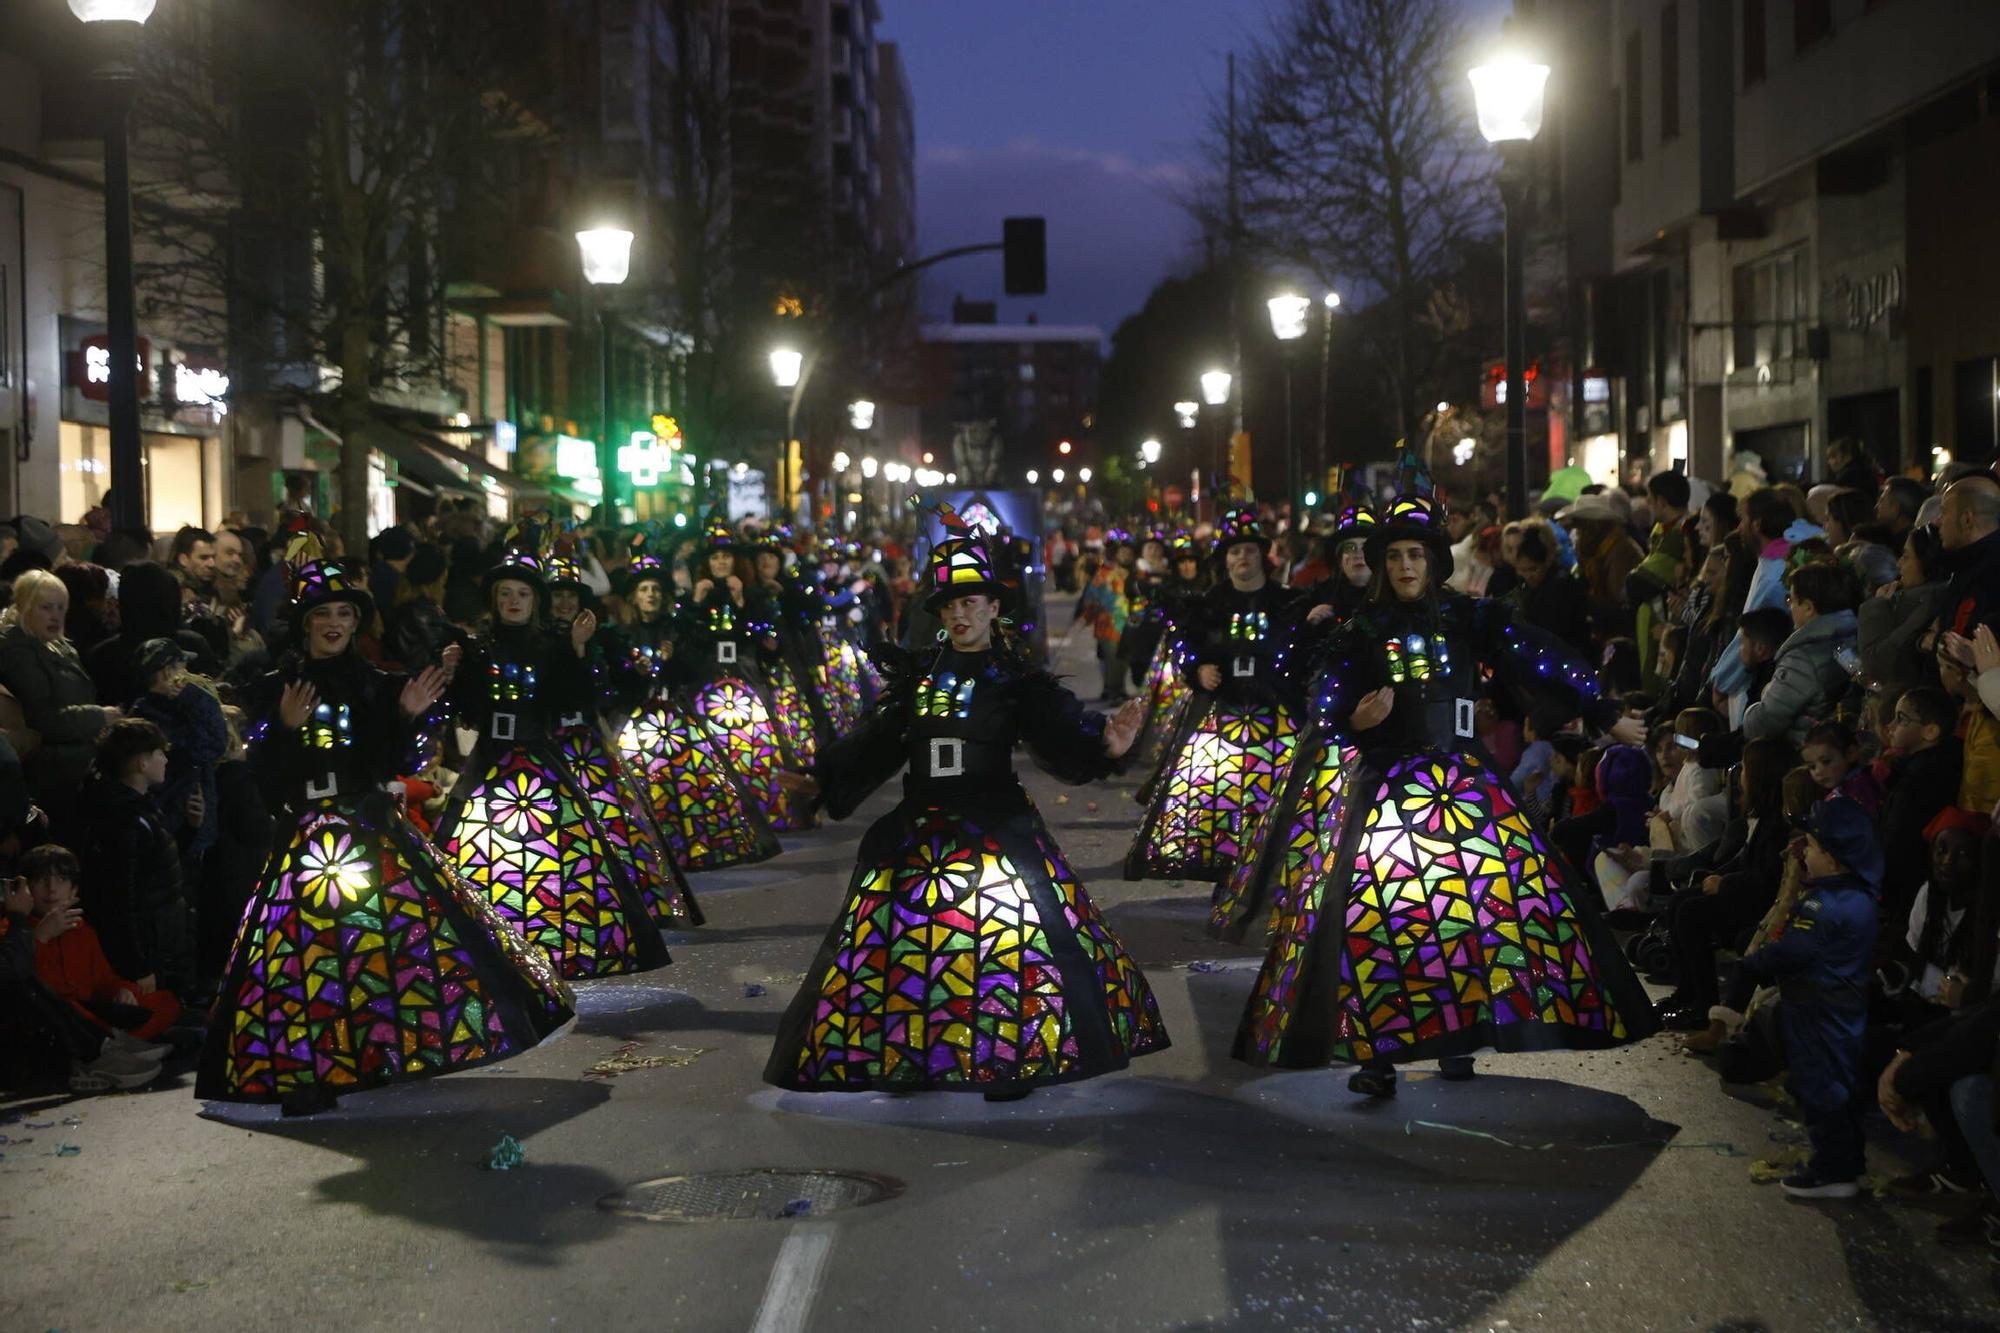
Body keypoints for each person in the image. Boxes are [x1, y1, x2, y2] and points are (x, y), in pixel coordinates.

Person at [1234, 460, 1657, 1098]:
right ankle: (1378, 1053)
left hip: (1462, 787)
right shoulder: (1360, 631)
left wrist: (1600, 709)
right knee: (1380, 921)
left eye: (1416, 555)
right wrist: (1351, 716)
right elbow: (1319, 695)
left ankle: (1458, 1036)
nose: (1405, 566)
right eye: (1395, 556)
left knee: (1472, 916)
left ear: (1434, 562)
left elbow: (1539, 653)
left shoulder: (1469, 619)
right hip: (1384, 789)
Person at [765, 510, 1168, 1097]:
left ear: (994, 609)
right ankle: (909, 1053)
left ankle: (1010, 1054)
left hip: (995, 824)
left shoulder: (1016, 678)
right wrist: (823, 778)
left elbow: (1057, 732)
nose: (960, 614)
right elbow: (878, 741)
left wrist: (1104, 744)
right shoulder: (918, 677)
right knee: (906, 950)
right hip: (921, 825)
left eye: (972, 603)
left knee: (1007, 948)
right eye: (949, 606)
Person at [199, 536, 572, 1111]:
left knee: (390, 945)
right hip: (304, 834)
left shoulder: (373, 682)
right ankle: (312, 1065)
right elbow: (265, 779)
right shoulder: (274, 685)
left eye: (344, 613)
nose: (334, 623)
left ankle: (383, 1050)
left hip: (365, 824)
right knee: (309, 955)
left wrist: (404, 715)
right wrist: (284, 726)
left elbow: (389, 764)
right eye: (322, 613)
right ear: (304, 623)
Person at [433, 540, 672, 979]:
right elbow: (464, 711)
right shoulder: (476, 647)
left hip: (538, 757)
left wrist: (578, 651)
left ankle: (558, 935)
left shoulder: (552, 645)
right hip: (488, 760)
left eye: (522, 594)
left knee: (560, 853)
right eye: (505, 593)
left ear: (535, 602)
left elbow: (575, 700)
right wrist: (452, 674)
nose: (513, 602)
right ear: (494, 600)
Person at [1206, 500, 1375, 943]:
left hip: (1390, 743)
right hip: (1328, 736)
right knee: (1318, 829)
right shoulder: (1314, 601)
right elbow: (1283, 665)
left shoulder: (1402, 606)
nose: (1357, 556)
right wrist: (1306, 627)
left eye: (1366, 548)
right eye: (1348, 549)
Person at [1125, 505, 1304, 882]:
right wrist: (1196, 669)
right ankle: (1227, 871)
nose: (1242, 557)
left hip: (1276, 717)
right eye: (1235, 551)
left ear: (1262, 556)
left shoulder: (1287, 602)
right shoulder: (1206, 605)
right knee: (1218, 798)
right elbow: (1183, 644)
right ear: (1224, 560)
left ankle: (1272, 871)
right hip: (1220, 716)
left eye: (1250, 550)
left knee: (1275, 795)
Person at [545, 554, 702, 930]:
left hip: (598, 734)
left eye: (572, 596)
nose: (565, 603)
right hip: (550, 740)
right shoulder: (542, 642)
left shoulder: (607, 638)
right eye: (557, 596)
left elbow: (603, 688)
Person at [1737, 794, 1881, 1198]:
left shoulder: (1824, 902)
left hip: (1816, 1007)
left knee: (1822, 1086)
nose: (1805, 853)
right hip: (1842, 1005)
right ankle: (1847, 1163)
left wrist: (1754, 963)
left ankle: (1831, 1171)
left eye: (1813, 847)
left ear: (1834, 858)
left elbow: (1793, 951)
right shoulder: (1860, 897)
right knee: (1841, 1084)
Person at [610, 551, 779, 872]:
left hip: (673, 718)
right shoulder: (621, 636)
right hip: (634, 722)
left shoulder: (678, 630)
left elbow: (695, 669)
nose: (651, 596)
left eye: (656, 590)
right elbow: (614, 684)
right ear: (634, 597)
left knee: (686, 783)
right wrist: (633, 669)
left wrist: (673, 660)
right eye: (644, 590)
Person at [675, 514, 814, 832]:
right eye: (715, 557)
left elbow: (766, 640)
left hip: (746, 676)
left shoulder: (755, 595)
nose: (721, 562)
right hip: (705, 680)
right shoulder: (694, 598)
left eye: (726, 556)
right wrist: (696, 603)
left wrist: (739, 603)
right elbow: (684, 639)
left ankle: (765, 807)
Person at [75, 718, 192, 999]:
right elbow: (120, 898)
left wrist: (189, 829)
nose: (165, 759)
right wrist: (138, 965)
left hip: (157, 941)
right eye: (159, 753)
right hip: (146, 949)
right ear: (141, 763)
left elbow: (156, 866)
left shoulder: (139, 808)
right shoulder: (124, 818)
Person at [23, 843, 182, 1041]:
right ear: (27, 888)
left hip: (92, 1011)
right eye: (41, 879)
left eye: (61, 880)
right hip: (53, 1016)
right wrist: (40, 937)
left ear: (74, 891)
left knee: (166, 1001)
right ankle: (112, 1044)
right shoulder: (15, 929)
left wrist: (121, 991)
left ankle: (112, 1042)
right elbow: (24, 985)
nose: (51, 889)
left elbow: (102, 980)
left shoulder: (82, 930)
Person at [0, 568, 113, 818]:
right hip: (51, 772)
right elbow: (44, 718)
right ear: (24, 607)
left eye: (61, 608)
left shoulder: (56, 646)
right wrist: (100, 717)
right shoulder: (17, 651)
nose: (56, 616)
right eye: (46, 607)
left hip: (72, 762)